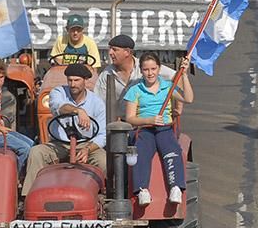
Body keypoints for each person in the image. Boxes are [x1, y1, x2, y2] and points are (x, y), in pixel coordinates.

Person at [21, 64, 107, 196]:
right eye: (70, 80)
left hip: (86, 144)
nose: (73, 84)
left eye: (77, 80)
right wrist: (78, 111)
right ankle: (30, 197)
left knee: (104, 160)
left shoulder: (97, 102)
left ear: (85, 80)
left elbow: (102, 135)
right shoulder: (58, 92)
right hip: (59, 144)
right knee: (36, 152)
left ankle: (105, 196)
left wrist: (87, 149)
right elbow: (58, 106)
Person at [124, 53, 194, 206]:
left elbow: (188, 99)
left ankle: (175, 187)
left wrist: (184, 75)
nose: (150, 73)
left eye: (153, 69)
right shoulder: (135, 90)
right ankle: (142, 190)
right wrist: (149, 120)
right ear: (141, 71)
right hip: (145, 129)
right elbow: (130, 118)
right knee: (140, 152)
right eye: (146, 70)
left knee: (172, 150)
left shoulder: (168, 87)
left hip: (165, 129)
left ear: (159, 69)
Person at [94, 34, 178, 119]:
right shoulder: (106, 74)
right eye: (110, 49)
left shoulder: (145, 66)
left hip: (144, 122)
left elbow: (177, 77)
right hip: (119, 124)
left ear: (127, 52)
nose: (110, 53)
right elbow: (98, 102)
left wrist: (178, 106)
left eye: (114, 50)